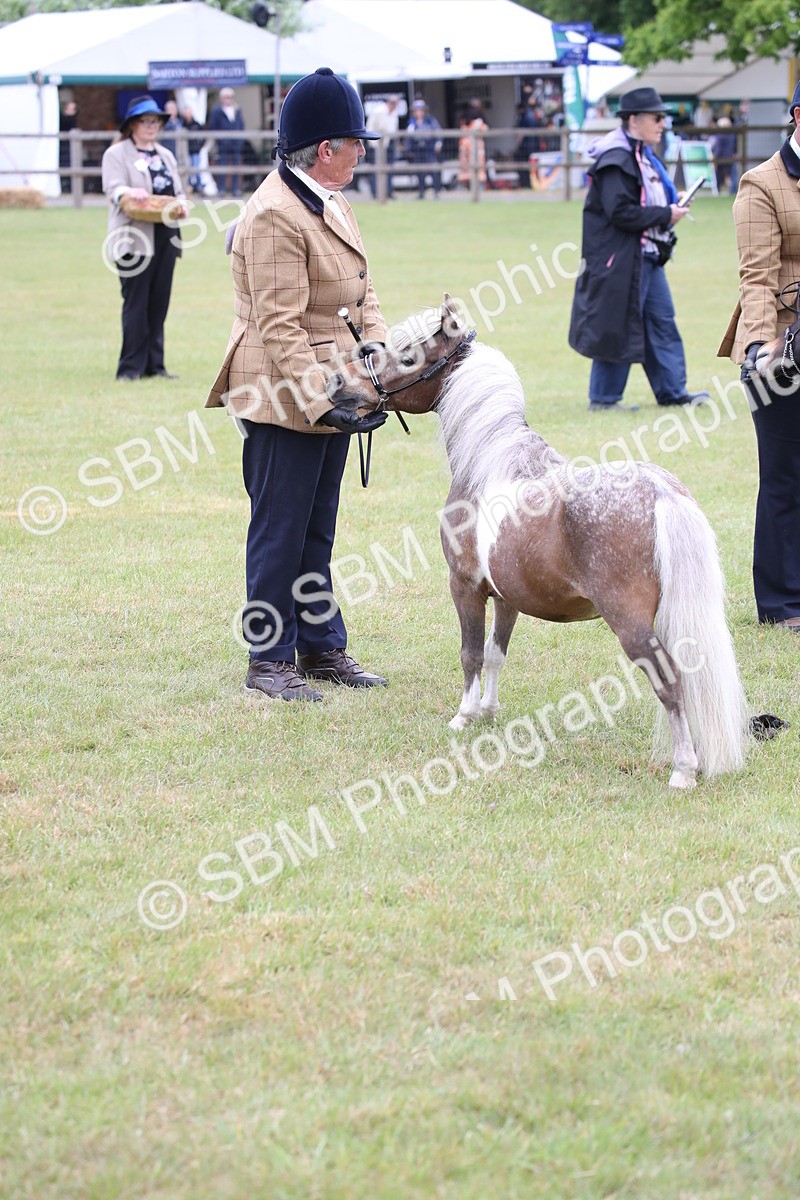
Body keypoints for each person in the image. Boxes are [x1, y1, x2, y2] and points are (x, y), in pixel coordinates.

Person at [205, 67, 389, 701]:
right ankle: (268, 660)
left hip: (330, 383)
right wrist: (321, 402)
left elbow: (364, 293)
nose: (362, 152)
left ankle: (320, 646)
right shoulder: (273, 215)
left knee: (317, 528)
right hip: (280, 392)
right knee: (279, 532)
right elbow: (279, 327)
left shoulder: (331, 198)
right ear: (326, 148)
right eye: (355, 142)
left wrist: (377, 366)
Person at [568, 86, 710, 412]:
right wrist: (665, 214)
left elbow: (642, 202)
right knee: (616, 324)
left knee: (661, 321)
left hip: (646, 257)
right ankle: (604, 400)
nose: (663, 124)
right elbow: (620, 212)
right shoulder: (617, 159)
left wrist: (670, 206)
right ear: (634, 120)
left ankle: (672, 391)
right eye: (656, 117)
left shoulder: (643, 156)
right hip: (620, 259)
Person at [718, 82, 800, 632]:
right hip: (785, 346)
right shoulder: (762, 184)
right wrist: (759, 349)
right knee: (785, 476)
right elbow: (756, 276)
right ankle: (783, 603)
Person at [102, 95, 188, 381]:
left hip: (166, 235)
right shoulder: (116, 154)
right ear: (132, 124)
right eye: (145, 121)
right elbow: (113, 189)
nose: (152, 126)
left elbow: (177, 190)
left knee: (159, 302)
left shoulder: (165, 155)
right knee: (136, 302)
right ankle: (130, 368)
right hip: (134, 238)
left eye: (156, 121)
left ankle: (155, 365)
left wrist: (182, 205)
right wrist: (129, 193)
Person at [208, 87, 245, 196]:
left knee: (236, 167)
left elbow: (241, 125)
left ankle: (235, 189)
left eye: (229, 97)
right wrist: (220, 140)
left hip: (236, 143)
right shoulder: (217, 111)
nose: (228, 99)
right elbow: (213, 126)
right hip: (223, 144)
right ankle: (222, 189)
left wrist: (240, 140)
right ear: (221, 98)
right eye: (226, 97)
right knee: (222, 166)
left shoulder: (237, 109)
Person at [405, 99, 443, 199]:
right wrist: (409, 149)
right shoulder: (412, 122)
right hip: (417, 149)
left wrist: (438, 143)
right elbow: (408, 137)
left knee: (434, 170)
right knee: (420, 172)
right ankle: (421, 192)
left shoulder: (430, 120)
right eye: (416, 110)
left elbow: (438, 132)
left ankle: (436, 192)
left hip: (429, 147)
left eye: (420, 110)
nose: (418, 112)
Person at [365, 96, 399, 198]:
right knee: (376, 168)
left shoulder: (394, 113)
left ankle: (388, 191)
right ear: (388, 102)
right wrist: (372, 143)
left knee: (389, 168)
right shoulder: (378, 111)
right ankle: (375, 192)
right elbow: (370, 126)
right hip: (377, 144)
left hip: (389, 143)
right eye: (392, 102)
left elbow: (394, 128)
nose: (393, 105)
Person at [457, 98, 488, 189]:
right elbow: (486, 129)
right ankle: (478, 190)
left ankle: (466, 188)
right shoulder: (478, 121)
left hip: (464, 146)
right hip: (476, 148)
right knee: (478, 168)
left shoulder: (463, 119)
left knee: (466, 168)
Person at [181, 105, 205, 193]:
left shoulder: (196, 124)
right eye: (186, 113)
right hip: (185, 151)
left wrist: (200, 146)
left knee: (196, 168)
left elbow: (204, 135)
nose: (187, 114)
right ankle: (189, 186)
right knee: (187, 169)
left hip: (195, 150)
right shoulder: (181, 124)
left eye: (189, 112)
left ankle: (199, 186)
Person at [711, 116, 738, 193]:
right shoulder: (732, 135)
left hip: (721, 157)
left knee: (718, 174)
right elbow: (734, 147)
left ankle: (718, 189)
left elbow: (719, 148)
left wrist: (715, 157)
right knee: (732, 175)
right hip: (730, 157)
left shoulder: (720, 135)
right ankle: (732, 190)